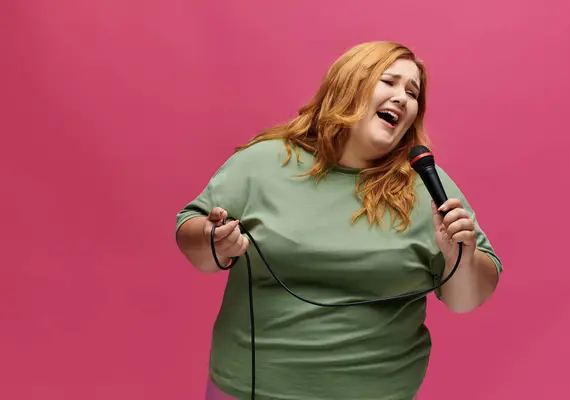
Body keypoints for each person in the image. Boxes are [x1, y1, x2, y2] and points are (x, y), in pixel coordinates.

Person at [175, 41, 503, 400]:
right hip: (249, 390)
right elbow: (191, 231)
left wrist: (460, 257)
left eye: (412, 93)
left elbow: (465, 299)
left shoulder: (426, 184)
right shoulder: (265, 162)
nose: (403, 98)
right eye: (389, 82)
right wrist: (214, 240)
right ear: (348, 83)